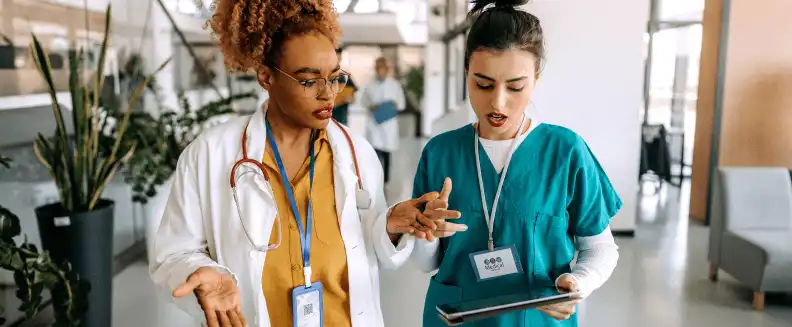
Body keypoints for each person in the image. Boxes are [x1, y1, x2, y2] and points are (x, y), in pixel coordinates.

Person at [149, 0, 460, 326]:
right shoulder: (210, 155)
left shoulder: (357, 153)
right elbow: (173, 254)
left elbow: (369, 253)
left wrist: (390, 227)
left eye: (335, 77)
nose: (328, 94)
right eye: (309, 81)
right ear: (267, 77)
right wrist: (203, 273)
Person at [409, 0, 621, 326]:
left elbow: (600, 248)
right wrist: (429, 234)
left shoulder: (565, 152)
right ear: (466, 71)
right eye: (483, 84)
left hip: (538, 319)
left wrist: (578, 283)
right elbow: (427, 264)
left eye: (515, 86)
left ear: (536, 76)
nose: (498, 101)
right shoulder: (440, 153)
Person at [359, 57, 405, 186]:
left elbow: (401, 104)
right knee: (374, 154)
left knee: (386, 155)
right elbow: (363, 101)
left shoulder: (394, 85)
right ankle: (374, 180)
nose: (381, 71)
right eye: (378, 68)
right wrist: (371, 105)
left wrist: (394, 105)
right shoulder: (370, 84)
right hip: (374, 123)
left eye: (383, 69)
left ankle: (385, 183)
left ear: (387, 69)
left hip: (389, 124)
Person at [331, 46, 357, 126]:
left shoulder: (345, 77)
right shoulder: (323, 76)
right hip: (327, 120)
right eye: (335, 60)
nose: (337, 62)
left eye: (339, 59)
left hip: (342, 120)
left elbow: (353, 99)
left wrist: (349, 99)